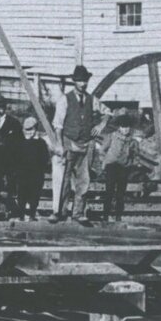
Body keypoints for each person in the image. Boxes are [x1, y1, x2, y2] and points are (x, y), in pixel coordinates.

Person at [49, 65, 98, 222]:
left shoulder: (92, 100)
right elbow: (58, 124)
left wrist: (100, 125)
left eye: (85, 81)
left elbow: (108, 113)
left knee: (83, 181)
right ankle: (59, 212)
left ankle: (78, 213)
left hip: (86, 144)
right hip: (69, 142)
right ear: (74, 82)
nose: (83, 84)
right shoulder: (65, 99)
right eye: (80, 81)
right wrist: (58, 144)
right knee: (63, 179)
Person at [98, 112, 142, 222]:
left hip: (124, 168)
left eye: (127, 127)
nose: (125, 129)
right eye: (123, 127)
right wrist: (105, 161)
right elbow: (102, 150)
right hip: (111, 167)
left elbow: (136, 155)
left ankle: (118, 215)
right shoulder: (112, 136)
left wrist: (131, 163)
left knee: (120, 193)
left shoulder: (132, 141)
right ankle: (106, 215)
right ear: (119, 127)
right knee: (109, 191)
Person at [11, 116, 50, 219]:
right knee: (22, 195)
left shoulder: (41, 143)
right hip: (22, 174)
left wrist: (42, 168)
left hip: (36, 174)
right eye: (26, 129)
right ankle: (21, 215)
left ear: (36, 129)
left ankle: (32, 214)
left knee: (34, 195)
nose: (28, 132)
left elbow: (45, 158)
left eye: (31, 129)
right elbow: (15, 157)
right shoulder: (19, 142)